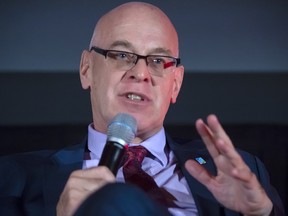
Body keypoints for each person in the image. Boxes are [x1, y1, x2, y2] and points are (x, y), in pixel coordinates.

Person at [0, 2, 285, 216]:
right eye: (122, 55)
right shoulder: (14, 179)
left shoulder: (243, 173)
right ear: (87, 70)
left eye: (159, 61)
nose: (141, 73)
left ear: (175, 84)